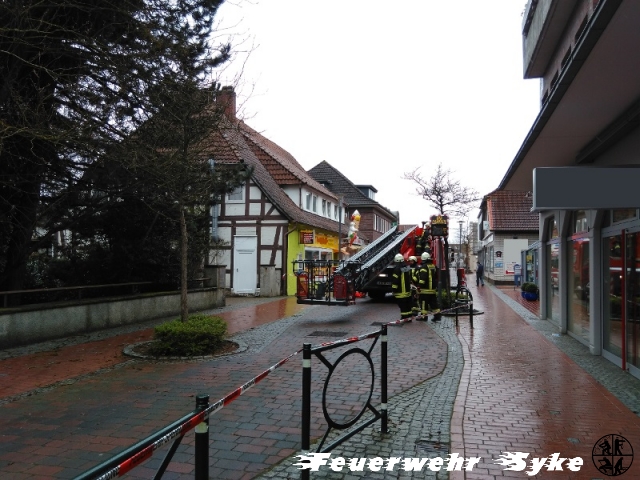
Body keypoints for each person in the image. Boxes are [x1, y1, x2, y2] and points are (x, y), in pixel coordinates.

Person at [416, 252, 441, 321]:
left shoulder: (424, 267)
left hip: (425, 290)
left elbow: (422, 279)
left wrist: (419, 286)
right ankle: (437, 316)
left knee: (424, 304)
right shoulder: (433, 266)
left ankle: (424, 317)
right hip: (432, 290)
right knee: (434, 304)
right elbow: (436, 277)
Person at [391, 253, 414, 321]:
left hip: (400, 291)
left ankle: (404, 317)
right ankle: (409, 317)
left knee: (403, 306)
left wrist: (394, 289)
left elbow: (395, 280)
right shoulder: (407, 267)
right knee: (408, 305)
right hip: (407, 291)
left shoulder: (397, 269)